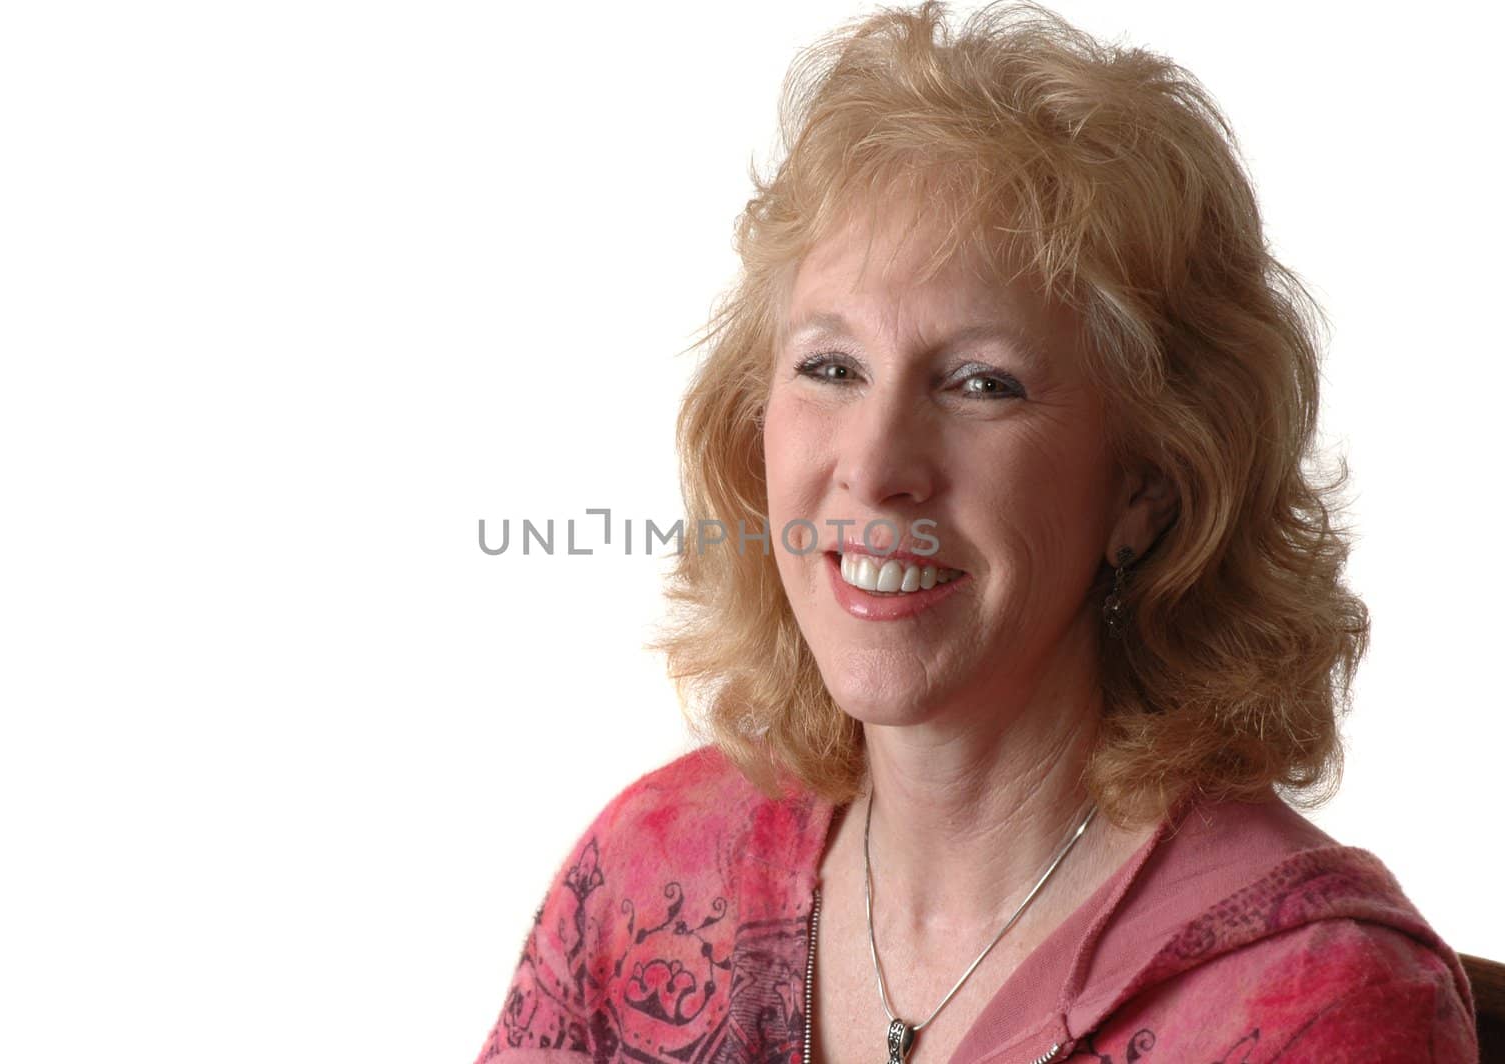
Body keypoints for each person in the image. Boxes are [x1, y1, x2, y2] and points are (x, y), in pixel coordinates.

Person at [473, 2, 1478, 1061]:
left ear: (1146, 481)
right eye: (830, 367)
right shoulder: (653, 867)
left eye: (979, 383)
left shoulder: (1309, 1002)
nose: (873, 464)